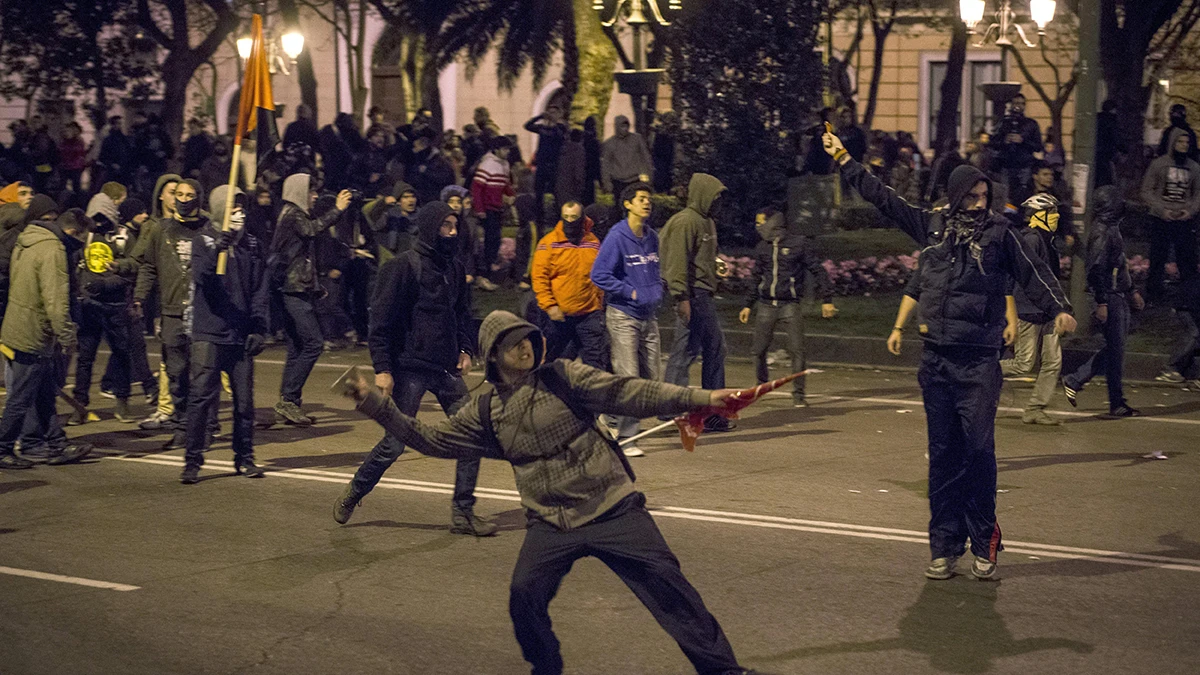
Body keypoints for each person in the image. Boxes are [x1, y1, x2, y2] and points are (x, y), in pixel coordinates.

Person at [335, 310, 760, 675]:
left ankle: (723, 669)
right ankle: (547, 667)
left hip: (613, 507)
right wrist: (375, 403)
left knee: (671, 589)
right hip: (552, 522)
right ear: (494, 355)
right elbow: (431, 440)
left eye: (528, 340)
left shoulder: (562, 376)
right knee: (524, 596)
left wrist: (703, 397)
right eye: (514, 343)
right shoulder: (486, 411)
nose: (525, 348)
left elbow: (630, 393)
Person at [823, 127, 1076, 581]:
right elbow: (883, 197)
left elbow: (1033, 272)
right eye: (973, 196)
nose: (980, 203)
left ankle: (985, 541)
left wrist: (1059, 308)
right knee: (942, 457)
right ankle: (943, 546)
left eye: (985, 196)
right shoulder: (933, 227)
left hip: (979, 361)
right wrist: (844, 159)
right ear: (957, 196)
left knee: (978, 453)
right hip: (936, 360)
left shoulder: (1001, 233)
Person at [333, 201, 494, 534]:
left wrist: (465, 349)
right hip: (410, 368)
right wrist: (383, 368)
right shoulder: (403, 267)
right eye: (446, 226)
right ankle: (355, 492)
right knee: (395, 443)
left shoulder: (454, 267)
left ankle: (463, 513)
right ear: (431, 226)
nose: (452, 232)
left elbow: (463, 313)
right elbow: (380, 321)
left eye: (454, 226)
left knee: (473, 436)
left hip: (446, 368)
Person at [180, 185, 271, 484]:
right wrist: (218, 247)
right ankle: (192, 461)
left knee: (244, 403)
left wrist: (259, 325)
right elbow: (201, 278)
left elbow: (259, 288)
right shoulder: (203, 240)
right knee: (201, 398)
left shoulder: (253, 245)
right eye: (233, 207)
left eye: (242, 207)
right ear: (220, 209)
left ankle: (244, 458)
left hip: (240, 334)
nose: (239, 213)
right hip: (209, 332)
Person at [0, 196, 92, 469]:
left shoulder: (28, 239)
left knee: (41, 393)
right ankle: (3, 447)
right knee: (21, 398)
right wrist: (66, 336)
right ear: (73, 232)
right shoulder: (53, 251)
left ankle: (56, 443)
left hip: (18, 324)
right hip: (33, 332)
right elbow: (55, 300)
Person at [133, 179, 212, 449]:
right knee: (177, 374)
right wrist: (139, 297)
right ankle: (182, 426)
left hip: (204, 313)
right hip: (172, 313)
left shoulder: (209, 228)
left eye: (190, 194)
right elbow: (149, 267)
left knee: (203, 375)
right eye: (179, 194)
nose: (184, 198)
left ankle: (205, 428)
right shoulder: (161, 229)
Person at [272, 173, 352, 425]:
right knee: (314, 343)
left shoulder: (291, 214)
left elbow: (300, 257)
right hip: (292, 290)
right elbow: (312, 230)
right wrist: (337, 210)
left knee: (297, 346)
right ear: (298, 192)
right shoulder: (293, 214)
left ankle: (289, 402)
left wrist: (315, 287)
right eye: (311, 191)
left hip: (297, 288)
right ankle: (288, 400)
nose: (315, 196)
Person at [590, 183, 663, 457]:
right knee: (629, 378)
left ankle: (608, 417)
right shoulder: (617, 236)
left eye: (649, 199)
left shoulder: (652, 237)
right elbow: (599, 274)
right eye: (641, 199)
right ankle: (627, 439)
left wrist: (657, 290)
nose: (647, 203)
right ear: (628, 204)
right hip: (623, 316)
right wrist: (629, 291)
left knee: (652, 378)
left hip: (649, 314)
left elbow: (654, 270)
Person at [738, 207, 836, 407]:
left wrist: (827, 299)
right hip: (766, 304)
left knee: (797, 350)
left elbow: (818, 270)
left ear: (772, 223)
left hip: (789, 305)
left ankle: (798, 395)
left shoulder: (798, 245)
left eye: (760, 223)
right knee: (758, 350)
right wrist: (748, 304)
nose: (757, 227)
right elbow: (756, 276)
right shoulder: (762, 247)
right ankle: (761, 385)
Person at [660, 173, 735, 432]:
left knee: (697, 350)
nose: (718, 202)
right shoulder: (685, 221)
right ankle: (687, 410)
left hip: (702, 293)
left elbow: (699, 258)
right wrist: (682, 298)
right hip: (694, 295)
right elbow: (677, 262)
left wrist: (716, 266)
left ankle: (691, 410)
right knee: (698, 351)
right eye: (715, 196)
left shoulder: (706, 222)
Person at [1063, 186, 1143, 418]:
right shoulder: (1102, 232)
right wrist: (1102, 302)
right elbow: (1096, 269)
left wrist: (1131, 291)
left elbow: (1120, 264)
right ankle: (1114, 401)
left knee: (1115, 350)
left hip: (1114, 294)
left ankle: (1077, 380)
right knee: (1115, 351)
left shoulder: (1110, 229)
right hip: (1109, 296)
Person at [998, 193, 1068, 425]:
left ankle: (1035, 409)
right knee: (1023, 363)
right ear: (1038, 216)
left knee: (1053, 361)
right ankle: (976, 372)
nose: (1057, 216)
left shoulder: (1047, 240)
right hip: (1028, 310)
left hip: (1047, 311)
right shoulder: (1031, 240)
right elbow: (1018, 276)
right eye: (1052, 212)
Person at [73, 206, 138, 424]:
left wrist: (106, 285)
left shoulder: (123, 237)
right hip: (90, 305)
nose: (100, 222)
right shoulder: (86, 238)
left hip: (116, 305)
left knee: (121, 354)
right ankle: (80, 404)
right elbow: (78, 267)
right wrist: (85, 289)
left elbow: (131, 270)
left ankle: (122, 402)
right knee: (85, 357)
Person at [531, 201, 606, 367]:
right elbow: (539, 278)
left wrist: (599, 303)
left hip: (589, 313)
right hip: (559, 315)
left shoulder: (592, 242)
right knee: (555, 360)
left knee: (596, 360)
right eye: (566, 217)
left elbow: (599, 274)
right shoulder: (548, 243)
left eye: (574, 217)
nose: (570, 221)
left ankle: (593, 392)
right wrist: (550, 306)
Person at [133, 173, 181, 431]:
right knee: (168, 357)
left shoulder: (196, 223)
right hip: (166, 303)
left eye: (182, 192)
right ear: (161, 195)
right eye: (172, 192)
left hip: (197, 304)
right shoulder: (153, 227)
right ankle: (165, 409)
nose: (177, 198)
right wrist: (139, 296)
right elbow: (142, 262)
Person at [1141, 129, 1200, 301]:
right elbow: (1146, 190)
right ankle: (1154, 294)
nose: (1184, 146)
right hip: (1161, 219)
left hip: (1184, 219)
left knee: (1187, 261)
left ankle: (1189, 296)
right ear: (1173, 143)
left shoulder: (1194, 168)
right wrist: (1161, 210)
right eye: (1180, 142)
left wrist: (1189, 211)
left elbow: (1198, 193)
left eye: (1187, 143)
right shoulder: (1159, 164)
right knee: (1158, 258)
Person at [470, 136, 515, 289]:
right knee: (491, 240)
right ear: (496, 149)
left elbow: (505, 184)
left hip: (497, 208)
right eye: (505, 149)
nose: (507, 152)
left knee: (495, 240)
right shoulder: (487, 164)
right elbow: (477, 188)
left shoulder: (504, 165)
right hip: (488, 208)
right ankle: (485, 273)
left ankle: (489, 269)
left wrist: (510, 195)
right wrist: (480, 209)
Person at [988, 94, 1043, 205]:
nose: (1019, 106)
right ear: (1011, 105)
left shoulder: (1031, 124)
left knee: (1023, 194)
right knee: (1006, 195)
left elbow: (1038, 146)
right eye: (1016, 103)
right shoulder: (1004, 122)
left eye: (1022, 103)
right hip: (1007, 165)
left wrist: (1023, 141)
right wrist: (1004, 141)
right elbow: (993, 142)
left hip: (1024, 165)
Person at [524, 105, 568, 211]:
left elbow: (562, 137)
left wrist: (554, 123)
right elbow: (527, 126)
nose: (551, 115)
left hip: (554, 165)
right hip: (542, 164)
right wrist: (539, 117)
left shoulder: (560, 128)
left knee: (556, 192)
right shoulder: (542, 128)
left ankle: (557, 214)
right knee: (539, 192)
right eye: (550, 112)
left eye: (554, 112)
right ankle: (540, 217)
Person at [600, 115, 652, 200]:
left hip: (635, 180)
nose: (624, 129)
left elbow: (646, 158)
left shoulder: (637, 139)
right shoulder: (610, 143)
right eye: (622, 126)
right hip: (618, 181)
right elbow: (606, 164)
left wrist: (648, 177)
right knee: (620, 206)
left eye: (626, 126)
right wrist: (607, 183)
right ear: (617, 126)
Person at [405, 127, 456, 206]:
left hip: (434, 203)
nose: (414, 150)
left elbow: (445, 179)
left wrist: (426, 172)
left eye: (416, 147)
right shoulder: (417, 160)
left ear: (424, 146)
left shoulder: (440, 162)